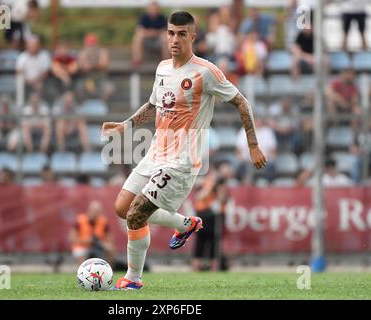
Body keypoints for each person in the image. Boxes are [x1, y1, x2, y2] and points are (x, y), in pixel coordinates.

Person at [102, 11, 267, 290]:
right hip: (155, 153)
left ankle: (133, 279)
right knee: (122, 208)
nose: (174, 39)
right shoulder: (162, 68)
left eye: (181, 34)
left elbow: (242, 103)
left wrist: (253, 145)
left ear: (192, 36)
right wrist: (126, 125)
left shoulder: (206, 71)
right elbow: (154, 105)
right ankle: (185, 223)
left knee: (135, 214)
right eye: (170, 33)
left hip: (181, 160)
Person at [191, 171, 229, 271]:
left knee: (214, 241)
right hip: (203, 214)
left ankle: (214, 267)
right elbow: (200, 196)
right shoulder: (203, 184)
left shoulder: (220, 185)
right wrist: (209, 186)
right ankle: (196, 266)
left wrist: (218, 198)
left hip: (214, 216)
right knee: (200, 241)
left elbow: (223, 198)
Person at [69, 200, 115, 266]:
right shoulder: (80, 220)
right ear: (89, 210)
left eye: (98, 211)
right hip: (83, 246)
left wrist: (105, 244)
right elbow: (72, 238)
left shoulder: (103, 221)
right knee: (80, 253)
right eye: (94, 211)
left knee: (110, 249)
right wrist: (87, 241)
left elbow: (110, 238)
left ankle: (108, 270)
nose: (96, 213)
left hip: (98, 245)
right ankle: (83, 272)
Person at [131, 1, 169, 66]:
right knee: (138, 37)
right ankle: (137, 59)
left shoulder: (162, 18)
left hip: (159, 40)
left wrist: (153, 32)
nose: (153, 10)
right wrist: (152, 32)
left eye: (155, 9)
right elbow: (139, 30)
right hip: (146, 40)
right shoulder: (143, 17)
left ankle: (166, 61)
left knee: (165, 38)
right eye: (152, 9)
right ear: (148, 9)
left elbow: (165, 31)